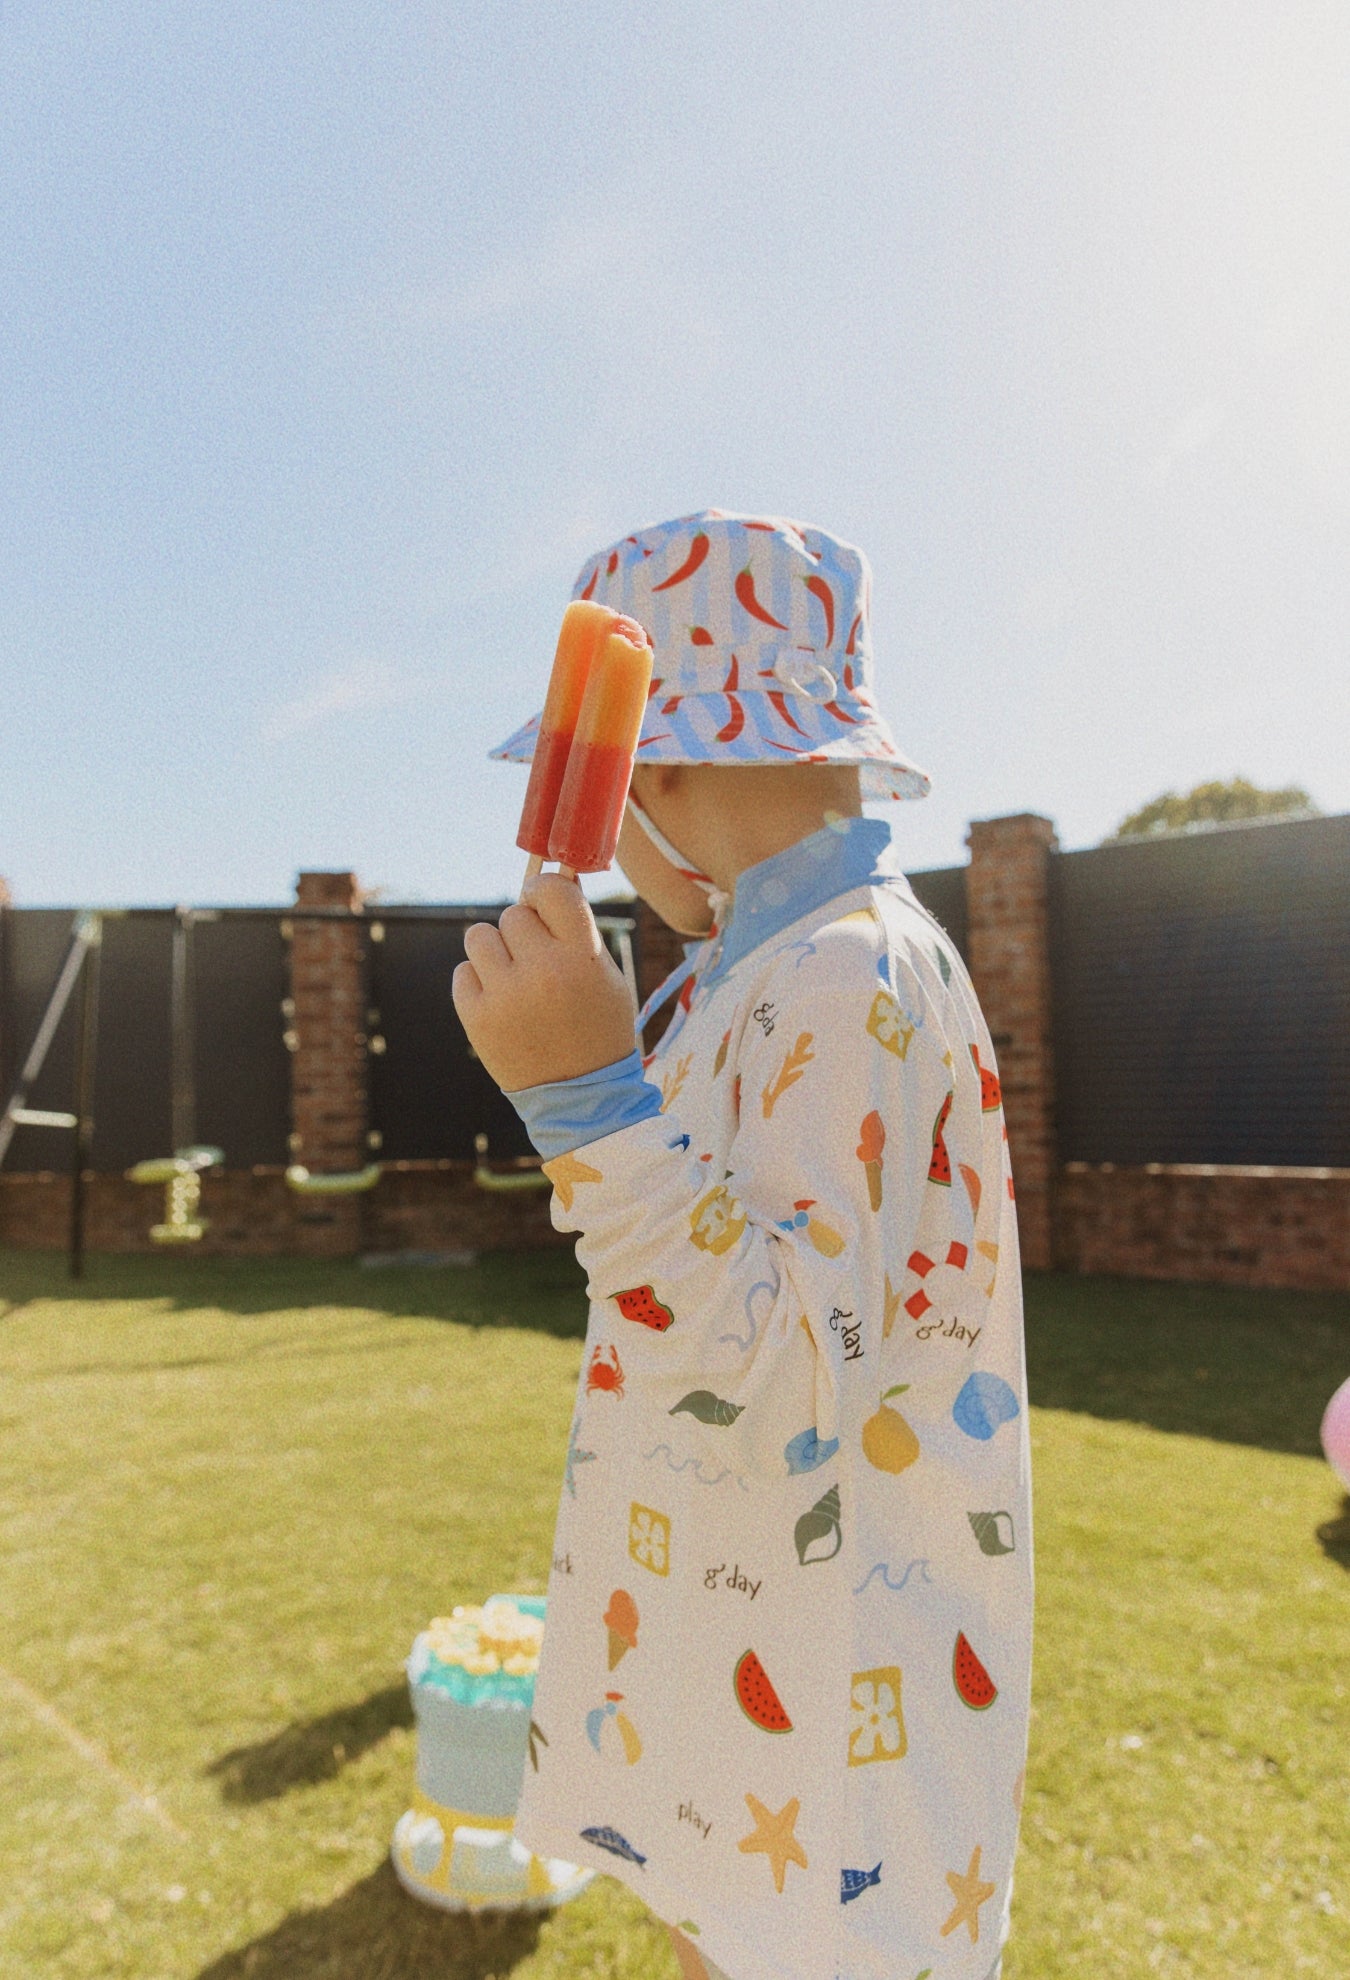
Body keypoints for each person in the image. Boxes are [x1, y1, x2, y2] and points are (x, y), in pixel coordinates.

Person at [453, 511, 1032, 1980]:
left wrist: (588, 1105)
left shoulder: (845, 970)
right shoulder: (767, 966)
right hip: (747, 1644)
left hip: (835, 1714)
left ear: (648, 765)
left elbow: (778, 1375)